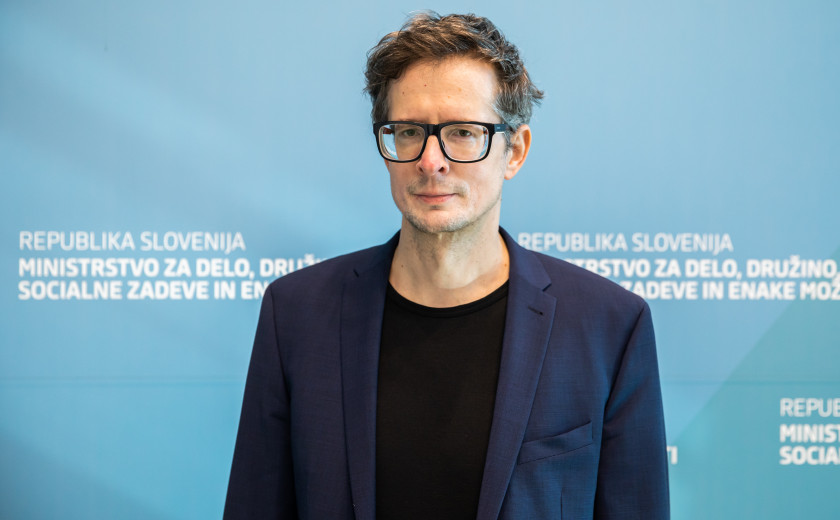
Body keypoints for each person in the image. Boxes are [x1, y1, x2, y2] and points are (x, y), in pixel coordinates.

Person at [224, 12, 669, 520]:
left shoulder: (609, 324)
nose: (430, 160)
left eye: (462, 132)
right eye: (409, 131)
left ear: (515, 151)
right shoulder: (295, 315)